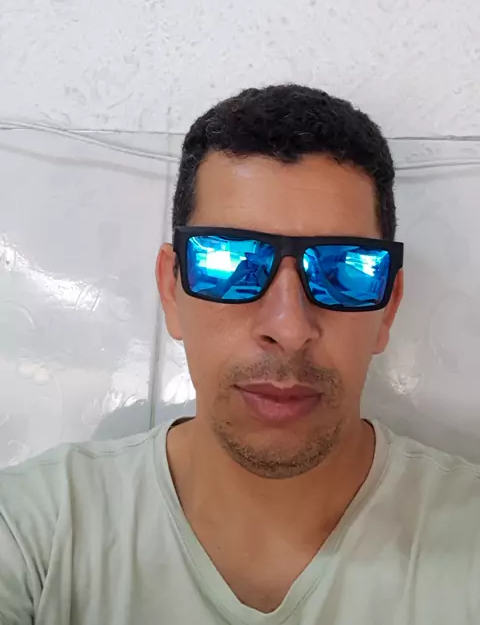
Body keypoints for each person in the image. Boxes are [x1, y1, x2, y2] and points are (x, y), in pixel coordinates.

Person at [0, 83, 479, 625]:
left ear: (388, 307)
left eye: (346, 269)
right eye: (228, 263)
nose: (289, 329)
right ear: (171, 290)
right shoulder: (34, 534)